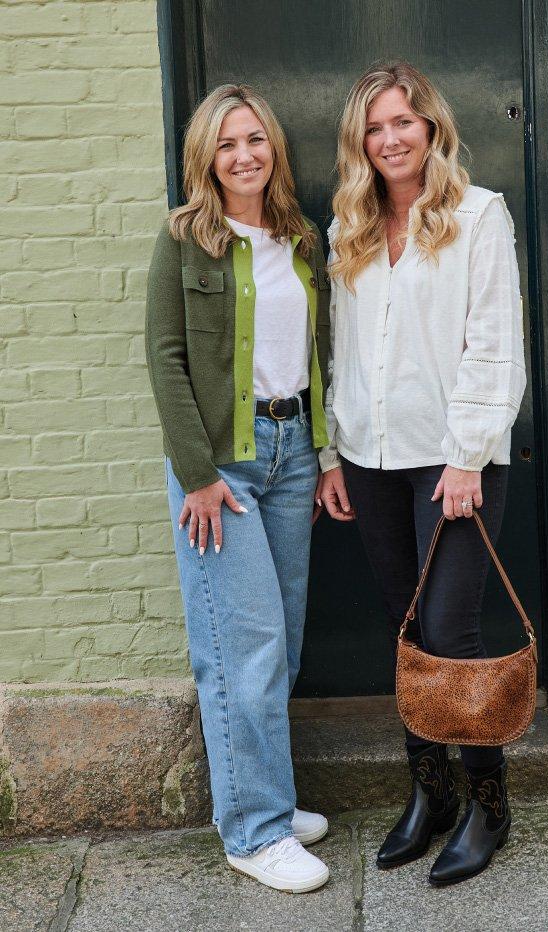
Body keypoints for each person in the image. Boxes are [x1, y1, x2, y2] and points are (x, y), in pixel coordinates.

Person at [319, 62, 526, 886]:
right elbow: (342, 350)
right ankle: (430, 793)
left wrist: (470, 452)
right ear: (359, 144)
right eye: (374, 128)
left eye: (404, 122)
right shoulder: (351, 227)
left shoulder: (478, 218)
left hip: (453, 466)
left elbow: (494, 342)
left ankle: (489, 804)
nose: (390, 138)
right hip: (371, 460)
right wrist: (334, 452)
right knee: (406, 630)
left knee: (450, 633)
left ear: (431, 128)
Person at [145, 83, 333, 893]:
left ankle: (267, 797)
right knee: (240, 648)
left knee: (280, 642)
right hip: (220, 468)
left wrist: (324, 458)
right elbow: (166, 357)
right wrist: (195, 475)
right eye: (227, 144)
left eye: (255, 139)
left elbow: (318, 355)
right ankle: (253, 833)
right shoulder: (185, 239)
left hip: (293, 454)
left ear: (273, 149)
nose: (244, 155)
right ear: (206, 159)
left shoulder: (300, 237)